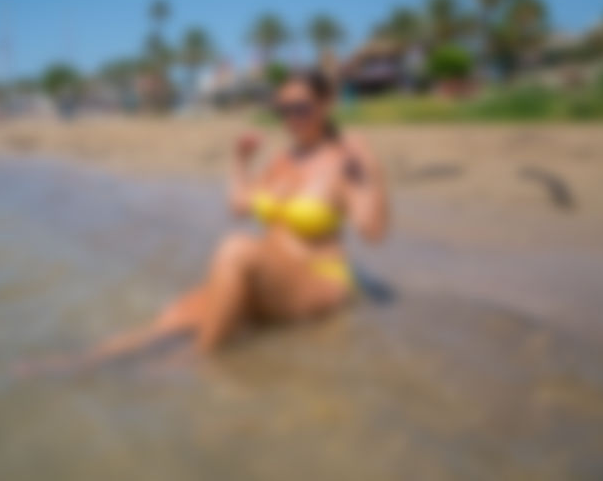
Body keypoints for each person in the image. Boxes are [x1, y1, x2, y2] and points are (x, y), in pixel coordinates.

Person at [22, 70, 389, 375]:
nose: (292, 118)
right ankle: (80, 363)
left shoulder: (343, 161)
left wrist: (371, 167)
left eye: (302, 108)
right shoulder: (281, 159)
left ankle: (193, 363)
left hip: (319, 279)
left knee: (235, 249)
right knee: (175, 315)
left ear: (326, 104)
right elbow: (239, 206)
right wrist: (240, 162)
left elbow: (372, 231)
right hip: (270, 277)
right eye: (284, 109)